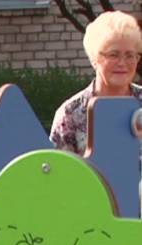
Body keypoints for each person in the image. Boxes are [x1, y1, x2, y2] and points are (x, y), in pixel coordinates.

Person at [50, 11, 142, 154]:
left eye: (130, 55)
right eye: (113, 55)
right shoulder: (70, 114)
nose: (122, 63)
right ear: (94, 59)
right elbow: (59, 171)